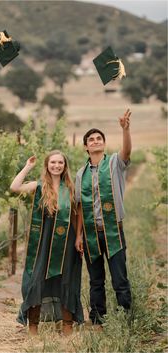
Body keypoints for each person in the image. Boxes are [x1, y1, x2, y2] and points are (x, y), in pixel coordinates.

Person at [10, 150, 84, 336]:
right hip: (42, 244)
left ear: (65, 166)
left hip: (66, 242)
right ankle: (33, 326)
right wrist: (28, 166)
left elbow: (77, 215)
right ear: (47, 165)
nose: (57, 165)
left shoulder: (71, 188)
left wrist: (78, 237)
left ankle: (67, 324)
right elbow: (15, 187)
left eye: (60, 162)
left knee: (66, 279)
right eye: (53, 162)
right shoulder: (39, 186)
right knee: (37, 280)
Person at [75, 109, 132, 328]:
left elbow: (127, 151)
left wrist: (125, 129)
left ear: (104, 144)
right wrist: (78, 235)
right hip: (91, 232)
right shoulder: (81, 174)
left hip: (113, 230)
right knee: (96, 280)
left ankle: (124, 319)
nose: (96, 141)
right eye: (91, 139)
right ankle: (98, 320)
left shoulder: (115, 163)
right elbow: (79, 207)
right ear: (86, 147)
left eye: (99, 138)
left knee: (119, 278)